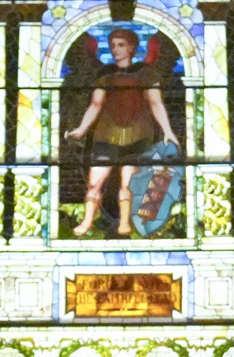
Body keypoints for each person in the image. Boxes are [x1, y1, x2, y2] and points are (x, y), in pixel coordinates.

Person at [64, 27, 180, 236]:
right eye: (112, 45)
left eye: (121, 45)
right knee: (94, 182)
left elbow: (155, 103)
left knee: (128, 184)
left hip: (137, 134)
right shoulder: (105, 73)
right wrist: (81, 129)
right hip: (106, 134)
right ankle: (87, 221)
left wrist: (168, 131)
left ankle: (124, 223)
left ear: (132, 47)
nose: (115, 50)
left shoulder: (146, 72)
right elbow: (96, 104)